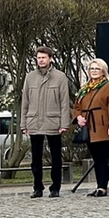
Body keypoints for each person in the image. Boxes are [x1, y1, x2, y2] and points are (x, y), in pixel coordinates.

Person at [21, 45, 71, 199]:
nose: (41, 60)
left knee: (56, 157)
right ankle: (37, 187)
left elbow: (64, 102)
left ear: (50, 58)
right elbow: (25, 102)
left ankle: (55, 187)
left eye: (43, 57)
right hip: (34, 121)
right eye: (38, 58)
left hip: (53, 122)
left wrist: (64, 124)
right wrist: (23, 124)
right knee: (36, 158)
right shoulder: (30, 77)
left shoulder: (60, 76)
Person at [72, 58, 109, 197]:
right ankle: (99, 185)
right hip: (89, 126)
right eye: (92, 69)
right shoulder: (85, 88)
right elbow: (77, 106)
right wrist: (78, 116)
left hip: (103, 125)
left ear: (103, 71)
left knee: (104, 157)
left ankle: (103, 187)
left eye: (97, 69)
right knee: (96, 158)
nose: (94, 71)